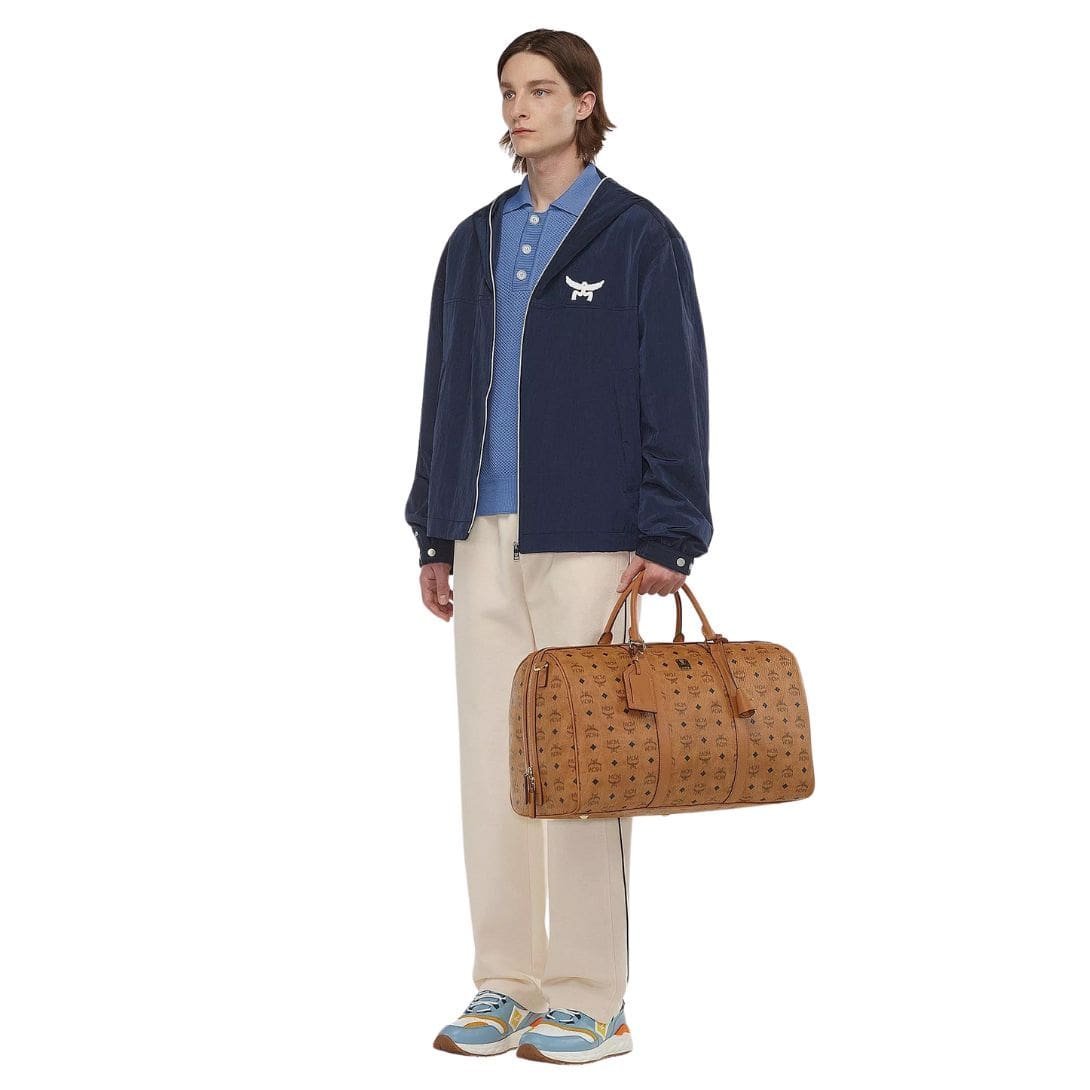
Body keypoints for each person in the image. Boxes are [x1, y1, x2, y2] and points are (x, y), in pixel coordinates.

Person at [405, 28, 713, 1064]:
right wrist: (433, 529)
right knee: (492, 760)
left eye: (540, 90)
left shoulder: (637, 237)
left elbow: (676, 388)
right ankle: (506, 982)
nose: (519, 108)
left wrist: (670, 531)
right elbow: (444, 391)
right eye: (508, 91)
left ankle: (590, 997)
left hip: (591, 541)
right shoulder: (473, 241)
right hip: (481, 535)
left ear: (585, 103)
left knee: (587, 764)